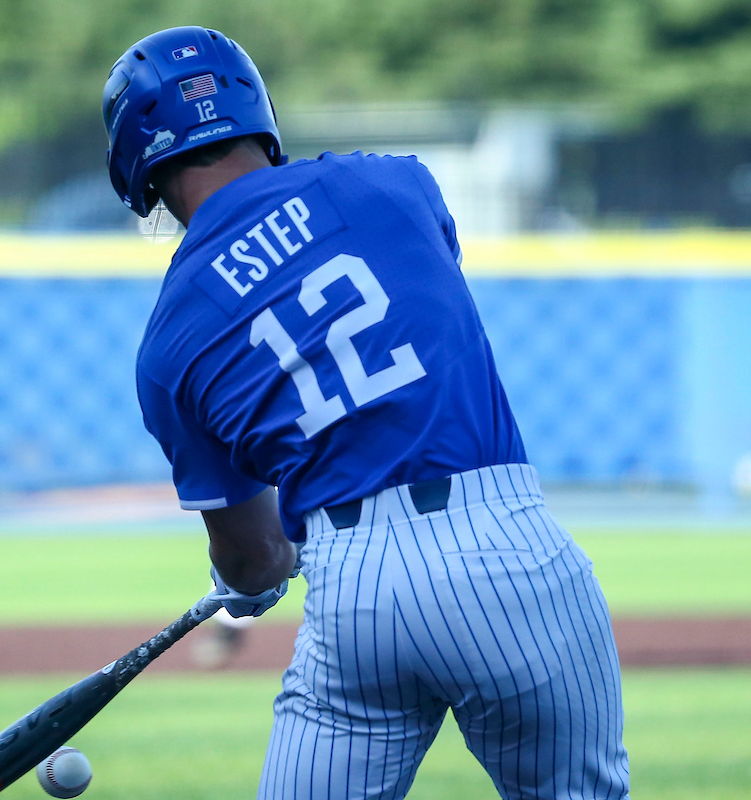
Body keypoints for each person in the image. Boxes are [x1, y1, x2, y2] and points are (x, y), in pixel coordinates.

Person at [102, 26, 630, 800]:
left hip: (358, 588)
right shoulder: (393, 183)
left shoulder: (167, 343)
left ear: (132, 159)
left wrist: (246, 586)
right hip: (507, 547)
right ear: (257, 110)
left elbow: (252, 559)